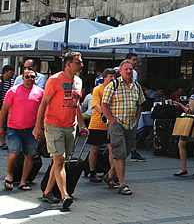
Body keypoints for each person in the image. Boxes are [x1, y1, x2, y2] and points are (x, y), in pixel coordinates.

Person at [33, 51, 89, 209]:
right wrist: (38, 127)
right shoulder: (54, 80)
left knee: (59, 161)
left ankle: (47, 191)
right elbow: (43, 104)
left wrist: (82, 125)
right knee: (59, 160)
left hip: (70, 126)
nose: (81, 65)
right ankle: (65, 195)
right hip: (53, 125)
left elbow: (76, 103)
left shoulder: (78, 81)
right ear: (68, 64)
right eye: (78, 62)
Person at [101, 60, 145, 196]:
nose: (129, 71)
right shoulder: (113, 85)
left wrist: (137, 121)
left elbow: (139, 105)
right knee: (119, 153)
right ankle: (122, 184)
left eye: (131, 69)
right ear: (120, 71)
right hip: (117, 123)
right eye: (126, 69)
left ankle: (109, 175)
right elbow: (104, 105)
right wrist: (112, 121)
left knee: (124, 153)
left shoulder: (136, 86)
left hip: (130, 124)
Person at [1, 67, 44, 191]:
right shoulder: (13, 91)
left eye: (32, 77)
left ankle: (23, 181)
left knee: (29, 155)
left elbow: (44, 111)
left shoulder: (40, 92)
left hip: (32, 129)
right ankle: (9, 176)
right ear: (22, 78)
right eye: (27, 76)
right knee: (14, 153)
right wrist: (0, 128)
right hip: (14, 128)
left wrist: (41, 127)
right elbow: (3, 110)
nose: (30, 79)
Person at [87, 68, 116, 185]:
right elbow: (95, 105)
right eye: (110, 77)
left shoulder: (116, 90)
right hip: (97, 123)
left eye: (114, 77)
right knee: (95, 149)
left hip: (111, 124)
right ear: (105, 78)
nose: (113, 79)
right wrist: (105, 114)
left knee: (111, 149)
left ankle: (111, 173)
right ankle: (92, 172)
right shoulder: (98, 89)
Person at [1, 65, 14, 150]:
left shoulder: (12, 81)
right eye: (11, 71)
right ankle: (3, 142)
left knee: (5, 125)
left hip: (8, 106)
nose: (12, 73)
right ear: (5, 72)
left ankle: (5, 142)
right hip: (1, 105)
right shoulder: (0, 81)